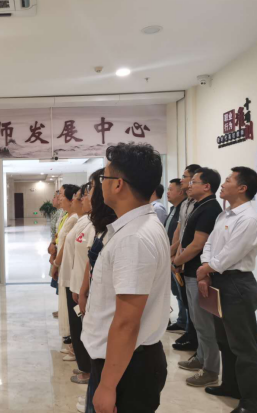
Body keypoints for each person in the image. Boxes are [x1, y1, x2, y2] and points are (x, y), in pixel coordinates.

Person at [82, 142, 170, 413]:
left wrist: (108, 386)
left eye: (104, 178)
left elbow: (127, 322)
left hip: (127, 369)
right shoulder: (137, 226)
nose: (101, 185)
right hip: (125, 361)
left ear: (118, 184)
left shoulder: (134, 238)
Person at [197, 167, 257, 413]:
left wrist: (206, 269)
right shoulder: (224, 215)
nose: (223, 184)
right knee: (225, 340)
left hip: (237, 283)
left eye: (228, 180)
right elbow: (210, 245)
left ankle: (251, 403)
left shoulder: (248, 219)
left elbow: (230, 255)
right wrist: (206, 269)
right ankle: (231, 386)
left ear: (242, 188)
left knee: (244, 347)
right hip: (219, 279)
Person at [173, 167, 222, 387]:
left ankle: (210, 369)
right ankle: (201, 358)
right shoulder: (198, 206)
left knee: (204, 324)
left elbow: (198, 244)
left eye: (194, 182)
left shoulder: (210, 208)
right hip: (190, 270)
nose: (189, 185)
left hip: (198, 273)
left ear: (207, 186)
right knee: (197, 321)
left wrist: (177, 261)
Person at [78, 168, 117, 413]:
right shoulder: (104, 227)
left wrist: (108, 386)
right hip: (98, 321)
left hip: (108, 330)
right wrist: (84, 290)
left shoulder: (127, 234)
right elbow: (91, 261)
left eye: (91, 188)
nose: (87, 194)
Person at [170, 164, 201, 351]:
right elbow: (179, 231)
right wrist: (173, 253)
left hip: (192, 262)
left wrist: (177, 258)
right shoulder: (186, 203)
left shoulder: (201, 205)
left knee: (195, 306)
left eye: (186, 177)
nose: (182, 180)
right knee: (184, 298)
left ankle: (194, 337)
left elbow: (197, 242)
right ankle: (190, 332)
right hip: (181, 258)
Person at [58, 186, 89, 364]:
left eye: (82, 196)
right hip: (72, 278)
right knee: (75, 321)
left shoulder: (86, 223)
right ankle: (79, 355)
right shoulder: (81, 221)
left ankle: (83, 360)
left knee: (79, 322)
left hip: (79, 282)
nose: (80, 200)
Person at [67, 185, 93, 387]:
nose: (82, 199)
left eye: (86, 195)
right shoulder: (86, 222)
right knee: (81, 329)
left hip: (86, 289)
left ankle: (89, 369)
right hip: (77, 285)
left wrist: (82, 290)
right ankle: (85, 366)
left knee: (88, 330)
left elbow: (89, 262)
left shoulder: (93, 225)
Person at [52, 184, 79, 352]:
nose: (59, 197)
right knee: (64, 301)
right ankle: (69, 338)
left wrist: (56, 263)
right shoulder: (67, 216)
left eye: (62, 194)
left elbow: (66, 246)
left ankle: (72, 341)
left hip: (67, 265)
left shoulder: (75, 219)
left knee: (69, 303)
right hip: (62, 264)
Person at [163, 179, 188, 333]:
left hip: (176, 258)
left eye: (171, 189)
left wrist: (173, 255)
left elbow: (181, 237)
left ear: (180, 192)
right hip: (171, 257)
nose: (168, 192)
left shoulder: (183, 209)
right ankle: (182, 320)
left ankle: (186, 324)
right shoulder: (174, 209)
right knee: (177, 292)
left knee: (182, 293)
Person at [48, 190, 63, 312]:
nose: (53, 200)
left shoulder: (63, 213)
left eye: (55, 197)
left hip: (58, 248)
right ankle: (61, 308)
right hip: (55, 246)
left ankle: (62, 309)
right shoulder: (57, 212)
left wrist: (53, 245)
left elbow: (58, 233)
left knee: (58, 276)